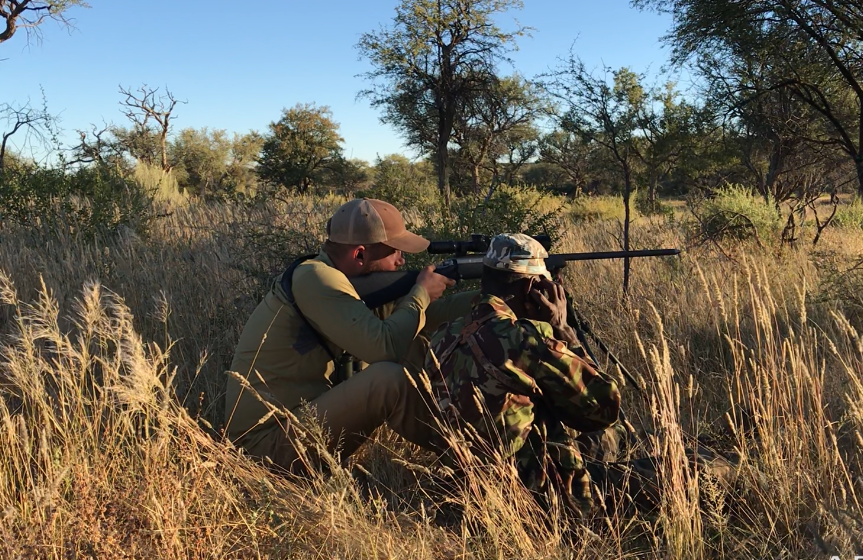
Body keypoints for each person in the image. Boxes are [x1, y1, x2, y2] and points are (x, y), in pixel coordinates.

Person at [224, 198, 477, 471]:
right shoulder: (316, 277)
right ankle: (478, 460)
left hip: (297, 425)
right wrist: (420, 293)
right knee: (387, 379)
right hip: (264, 449)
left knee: (418, 344)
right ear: (359, 255)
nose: (402, 260)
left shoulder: (342, 282)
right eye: (395, 251)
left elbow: (436, 315)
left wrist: (502, 294)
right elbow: (385, 348)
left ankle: (483, 443)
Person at [423, 233, 650, 516]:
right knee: (702, 469)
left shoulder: (444, 336)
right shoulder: (525, 341)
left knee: (607, 436)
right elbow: (604, 406)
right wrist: (563, 330)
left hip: (478, 488)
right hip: (548, 497)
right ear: (533, 286)